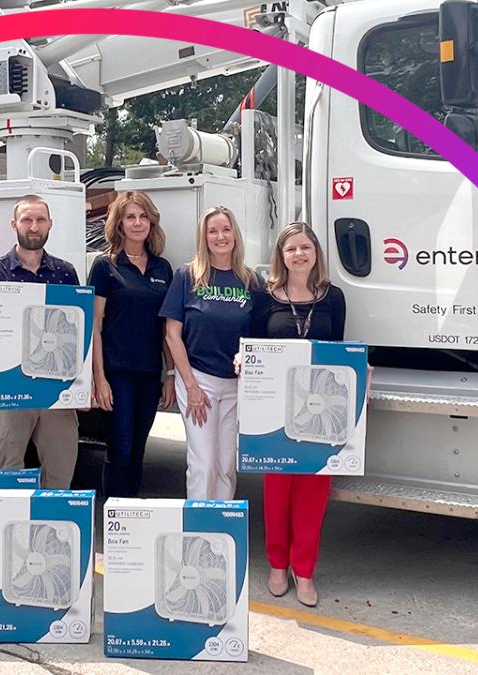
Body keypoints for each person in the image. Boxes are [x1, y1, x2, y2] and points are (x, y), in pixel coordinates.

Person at [246, 222, 346, 608]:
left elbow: (339, 351)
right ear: (281, 256)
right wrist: (245, 358)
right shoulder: (265, 296)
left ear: (316, 253)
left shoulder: (333, 298)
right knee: (277, 492)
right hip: (276, 413)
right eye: (291, 249)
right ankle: (277, 565)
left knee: (312, 493)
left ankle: (304, 572)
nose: (299, 254)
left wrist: (360, 374)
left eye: (306, 247)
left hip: (321, 415)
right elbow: (253, 342)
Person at [0, 195, 81, 489]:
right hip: (8, 392)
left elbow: (77, 334)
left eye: (40, 220)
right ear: (14, 224)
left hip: (56, 393)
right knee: (7, 477)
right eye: (27, 219)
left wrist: (83, 386)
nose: (34, 226)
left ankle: (53, 530)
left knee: (61, 476)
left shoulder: (65, 273)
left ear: (50, 224)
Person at [160, 206, 260, 501]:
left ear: (235, 235)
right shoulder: (187, 276)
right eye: (212, 231)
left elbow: (259, 335)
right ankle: (199, 530)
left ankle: (221, 528)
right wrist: (190, 386)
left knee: (226, 463)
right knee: (203, 462)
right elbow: (171, 335)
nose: (220, 236)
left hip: (235, 384)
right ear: (204, 238)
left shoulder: (251, 281)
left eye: (226, 230)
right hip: (198, 379)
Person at [87, 191, 175, 498]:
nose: (137, 223)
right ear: (119, 224)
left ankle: (129, 519)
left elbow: (167, 328)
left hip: (150, 373)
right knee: (120, 447)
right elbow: (94, 327)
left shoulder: (163, 269)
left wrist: (171, 375)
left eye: (143, 217)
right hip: (117, 372)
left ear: (151, 223)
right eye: (130, 217)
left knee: (138, 448)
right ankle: (114, 515)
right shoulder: (105, 267)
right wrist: (99, 378)